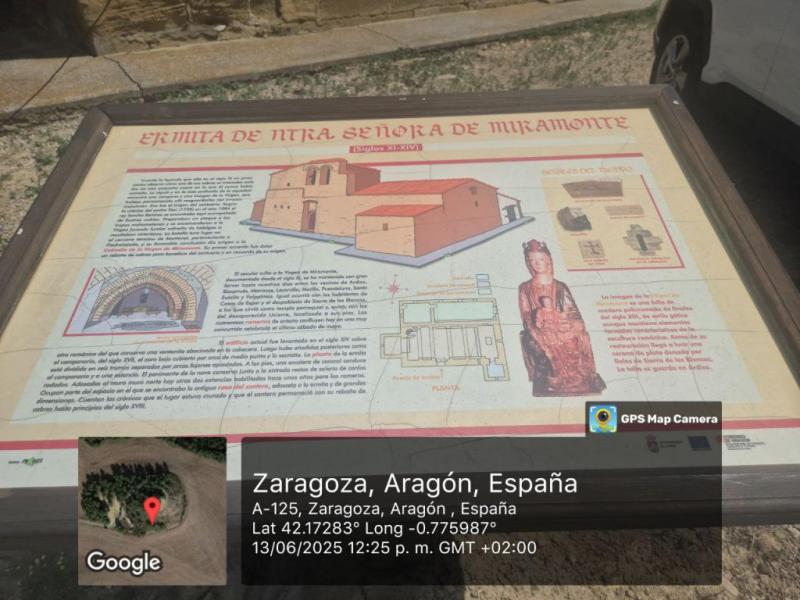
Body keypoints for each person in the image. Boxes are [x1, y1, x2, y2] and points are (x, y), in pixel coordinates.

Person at [518, 239, 606, 396]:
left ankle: (581, 378)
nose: (537, 264)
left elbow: (573, 312)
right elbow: (525, 314)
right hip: (541, 328)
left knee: (577, 338)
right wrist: (537, 327)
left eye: (540, 259)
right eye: (532, 260)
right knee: (547, 344)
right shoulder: (525, 288)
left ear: (548, 260)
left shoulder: (560, 286)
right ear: (528, 263)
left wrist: (570, 324)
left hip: (562, 325)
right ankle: (556, 378)